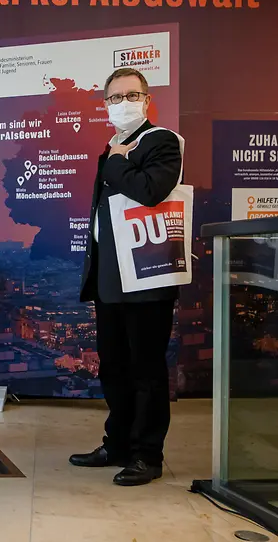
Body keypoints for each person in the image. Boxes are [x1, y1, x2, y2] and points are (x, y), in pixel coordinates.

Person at [71, 68, 182, 486]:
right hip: (110, 279)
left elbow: (151, 190)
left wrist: (116, 163)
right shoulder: (112, 146)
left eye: (131, 95)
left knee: (147, 369)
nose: (122, 103)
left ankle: (147, 455)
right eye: (114, 97)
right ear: (105, 105)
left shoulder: (162, 141)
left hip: (147, 276)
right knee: (113, 367)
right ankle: (116, 443)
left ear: (147, 100)